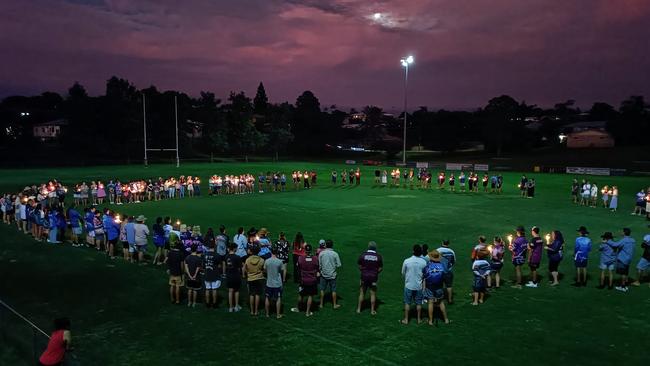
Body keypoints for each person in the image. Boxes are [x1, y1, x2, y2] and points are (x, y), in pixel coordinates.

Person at [400, 245, 427, 324]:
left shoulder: (407, 261)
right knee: (418, 303)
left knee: (407, 302)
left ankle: (406, 319)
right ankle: (419, 319)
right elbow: (425, 274)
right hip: (418, 286)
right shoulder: (423, 262)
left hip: (409, 285)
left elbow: (403, 273)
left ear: (413, 251)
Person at [422, 250, 450, 325]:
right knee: (440, 302)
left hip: (430, 287)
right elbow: (445, 276)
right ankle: (446, 319)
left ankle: (430, 321)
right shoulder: (442, 266)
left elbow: (424, 276)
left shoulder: (427, 266)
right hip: (439, 287)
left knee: (430, 303)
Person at [292, 244, 319, 317]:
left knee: (301, 295)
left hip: (303, 280)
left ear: (305, 251)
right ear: (311, 250)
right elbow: (317, 267)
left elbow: (298, 267)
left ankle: (298, 308)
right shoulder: (315, 259)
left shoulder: (301, 258)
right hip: (312, 280)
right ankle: (307, 312)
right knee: (310, 296)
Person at [356, 241, 383, 315]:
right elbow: (380, 268)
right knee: (373, 294)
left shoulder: (363, 255)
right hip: (373, 277)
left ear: (368, 247)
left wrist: (362, 271)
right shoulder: (378, 256)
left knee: (362, 293)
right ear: (375, 248)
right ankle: (372, 311)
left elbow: (359, 265)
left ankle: (358, 309)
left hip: (364, 276)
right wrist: (376, 273)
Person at [606, 228, 636, 292]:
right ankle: (625, 285)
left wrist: (607, 241)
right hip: (629, 258)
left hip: (623, 258)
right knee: (625, 272)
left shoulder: (624, 240)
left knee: (623, 273)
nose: (621, 232)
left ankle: (622, 286)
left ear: (624, 233)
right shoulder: (633, 240)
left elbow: (615, 245)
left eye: (622, 231)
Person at [318, 239, 342, 309]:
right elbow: (339, 265)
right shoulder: (335, 254)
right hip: (332, 275)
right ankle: (334, 305)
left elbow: (319, 264)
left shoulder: (321, 253)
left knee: (322, 289)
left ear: (325, 245)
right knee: (333, 290)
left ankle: (321, 304)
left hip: (323, 274)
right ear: (332, 245)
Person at [244, 245, 265, 316]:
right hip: (259, 278)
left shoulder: (248, 260)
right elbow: (263, 269)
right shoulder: (262, 260)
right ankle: (256, 311)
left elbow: (245, 269)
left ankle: (252, 311)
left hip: (250, 278)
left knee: (251, 295)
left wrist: (248, 274)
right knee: (257, 295)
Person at [264, 248, 284, 318]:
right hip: (277, 283)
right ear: (277, 253)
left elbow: (265, 270)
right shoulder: (279, 261)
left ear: (271, 252)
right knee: (278, 298)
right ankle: (278, 314)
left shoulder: (267, 261)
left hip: (269, 282)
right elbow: (281, 271)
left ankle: (267, 314)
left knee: (267, 298)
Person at [224, 243, 243, 312]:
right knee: (236, 291)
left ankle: (230, 307)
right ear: (234, 248)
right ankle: (236, 306)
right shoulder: (237, 257)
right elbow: (239, 268)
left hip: (229, 275)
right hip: (236, 275)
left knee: (230, 291)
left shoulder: (226, 256)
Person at [203, 240, 221, 308]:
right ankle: (214, 304)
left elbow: (204, 265)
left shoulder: (205, 255)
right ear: (214, 246)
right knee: (214, 289)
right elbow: (219, 266)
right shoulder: (217, 255)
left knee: (207, 289)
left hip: (207, 273)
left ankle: (207, 304)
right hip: (215, 274)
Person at [167, 235, 184, 304]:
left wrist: (169, 269)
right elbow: (182, 265)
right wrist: (182, 272)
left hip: (172, 271)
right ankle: (177, 300)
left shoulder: (170, 252)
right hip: (178, 272)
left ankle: (172, 299)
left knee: (171, 285)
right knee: (177, 286)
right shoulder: (180, 254)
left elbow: (168, 261)